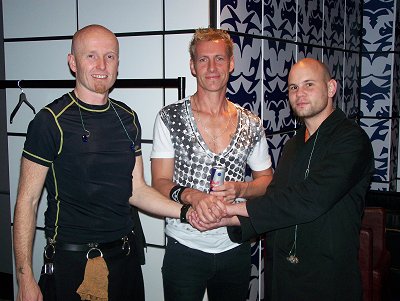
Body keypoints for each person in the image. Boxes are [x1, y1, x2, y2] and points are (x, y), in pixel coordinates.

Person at [13, 24, 186, 301]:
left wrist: (188, 213)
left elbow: (137, 190)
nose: (102, 65)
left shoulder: (127, 117)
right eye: (91, 56)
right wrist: (24, 276)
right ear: (73, 62)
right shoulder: (50, 121)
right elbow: (27, 201)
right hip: (72, 264)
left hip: (124, 260)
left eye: (110, 56)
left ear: (118, 62)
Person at [191, 58, 375, 301]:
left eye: (309, 85)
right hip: (283, 276)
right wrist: (227, 219)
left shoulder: (351, 140)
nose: (299, 94)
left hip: (327, 277)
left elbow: (310, 199)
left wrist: (232, 206)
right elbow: (275, 200)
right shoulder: (293, 145)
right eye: (293, 87)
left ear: (331, 88)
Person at [150, 27, 273, 301]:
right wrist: (193, 196)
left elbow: (267, 180)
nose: (212, 67)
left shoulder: (251, 123)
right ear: (193, 66)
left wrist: (241, 189)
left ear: (231, 63)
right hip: (184, 246)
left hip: (235, 244)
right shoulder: (170, 118)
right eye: (203, 60)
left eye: (219, 59)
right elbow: (158, 182)